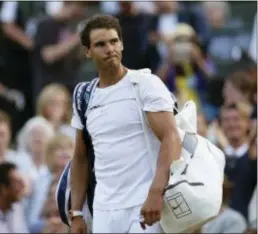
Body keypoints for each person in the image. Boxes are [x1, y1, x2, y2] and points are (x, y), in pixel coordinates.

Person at [70, 15, 181, 233]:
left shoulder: (145, 83)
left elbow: (171, 138)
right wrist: (76, 212)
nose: (109, 48)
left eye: (113, 41)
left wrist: (156, 192)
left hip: (144, 203)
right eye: (100, 44)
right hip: (103, 209)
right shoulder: (83, 95)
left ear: (121, 44)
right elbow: (80, 157)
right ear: (87, 51)